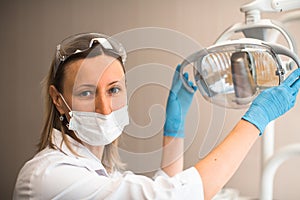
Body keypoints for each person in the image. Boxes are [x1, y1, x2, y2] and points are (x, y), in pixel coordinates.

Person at [13, 32, 300, 200]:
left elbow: (164, 189)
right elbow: (169, 197)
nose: (104, 107)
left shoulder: (101, 174)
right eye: (86, 93)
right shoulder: (49, 177)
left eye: (113, 90)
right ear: (58, 100)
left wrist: (174, 126)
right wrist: (257, 119)